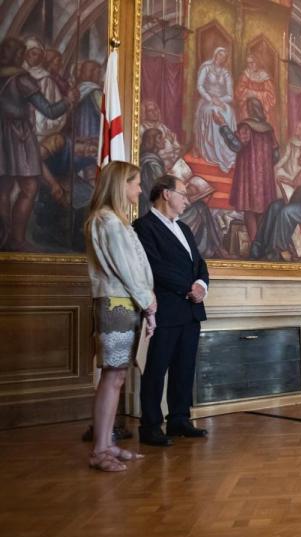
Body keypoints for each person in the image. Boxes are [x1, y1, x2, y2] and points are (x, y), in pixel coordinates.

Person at [84, 161, 155, 471]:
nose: (139, 189)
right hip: (117, 304)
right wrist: (147, 301)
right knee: (112, 377)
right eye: (135, 183)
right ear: (120, 184)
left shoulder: (118, 221)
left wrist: (145, 300)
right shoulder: (107, 222)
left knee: (118, 377)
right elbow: (126, 269)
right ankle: (100, 450)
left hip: (125, 303)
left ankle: (107, 444)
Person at [134, 175, 210, 446]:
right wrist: (188, 287)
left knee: (184, 368)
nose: (187, 199)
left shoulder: (185, 229)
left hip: (190, 310)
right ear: (166, 194)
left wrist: (201, 285)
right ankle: (151, 425)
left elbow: (199, 263)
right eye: (183, 193)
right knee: (156, 369)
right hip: (164, 310)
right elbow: (153, 266)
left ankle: (179, 419)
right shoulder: (143, 226)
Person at [0, 37, 75, 251]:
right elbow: (50, 111)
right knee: (29, 187)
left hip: (1, 136)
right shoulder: (21, 80)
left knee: (3, 188)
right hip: (19, 137)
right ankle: (16, 239)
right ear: (18, 55)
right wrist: (68, 101)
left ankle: (3, 239)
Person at [216, 97, 278, 254]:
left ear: (250, 109)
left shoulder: (246, 126)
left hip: (249, 175)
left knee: (249, 209)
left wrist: (223, 125)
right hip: (264, 178)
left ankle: (254, 246)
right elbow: (276, 154)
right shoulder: (268, 129)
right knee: (263, 209)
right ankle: (261, 246)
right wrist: (265, 164)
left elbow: (236, 145)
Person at [194, 46, 236, 172]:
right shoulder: (206, 68)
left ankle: (227, 151)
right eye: (220, 55)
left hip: (220, 101)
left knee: (229, 112)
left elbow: (230, 95)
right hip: (206, 101)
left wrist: (220, 100)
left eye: (224, 57)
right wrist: (211, 98)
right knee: (214, 112)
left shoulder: (226, 73)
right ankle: (213, 150)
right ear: (215, 55)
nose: (221, 58)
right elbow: (200, 86)